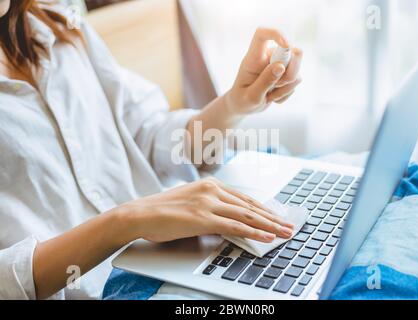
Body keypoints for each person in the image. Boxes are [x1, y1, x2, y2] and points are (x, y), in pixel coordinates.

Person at [0, 0, 302, 299]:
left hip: (174, 259)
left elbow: (148, 135)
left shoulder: (57, 25)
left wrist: (235, 105)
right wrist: (127, 221)